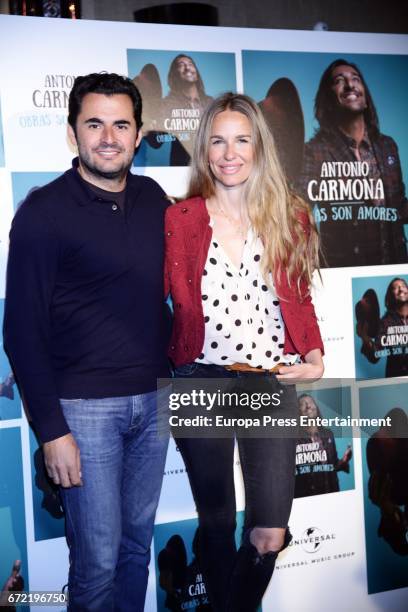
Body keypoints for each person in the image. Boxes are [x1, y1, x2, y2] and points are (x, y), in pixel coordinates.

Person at [3, 72, 171, 611]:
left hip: (154, 402)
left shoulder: (154, 199)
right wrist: (51, 430)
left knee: (135, 550)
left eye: (120, 124)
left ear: (138, 134)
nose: (108, 136)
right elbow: (21, 330)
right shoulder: (43, 213)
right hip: (82, 412)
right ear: (73, 133)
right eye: (93, 124)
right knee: (96, 562)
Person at [165, 92, 324, 611]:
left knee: (270, 531)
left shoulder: (288, 217)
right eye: (218, 140)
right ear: (204, 150)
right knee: (215, 522)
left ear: (259, 148)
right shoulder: (181, 220)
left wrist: (315, 352)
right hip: (200, 380)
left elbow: (298, 296)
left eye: (242, 140)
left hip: (268, 381)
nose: (230, 153)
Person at [297, 58, 408, 268]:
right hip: (343, 270)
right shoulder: (314, 151)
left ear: (365, 97)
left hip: (396, 264)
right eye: (339, 80)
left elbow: (399, 208)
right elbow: (298, 214)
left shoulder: (387, 146)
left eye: (355, 79)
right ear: (328, 99)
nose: (350, 85)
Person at [295, 394, 352, 498]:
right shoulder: (294, 441)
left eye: (311, 402)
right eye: (302, 404)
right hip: (307, 500)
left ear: (316, 408)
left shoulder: (328, 434)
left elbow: (332, 466)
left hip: (331, 495)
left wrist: (343, 461)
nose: (308, 406)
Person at [160, 54, 213, 165]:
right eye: (181, 65)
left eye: (190, 64)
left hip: (210, 166)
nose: (187, 68)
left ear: (197, 73)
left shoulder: (211, 103)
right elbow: (158, 140)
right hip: (182, 167)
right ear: (174, 74)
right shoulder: (166, 104)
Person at [356, 277, 408, 377]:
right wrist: (365, 338)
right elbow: (374, 357)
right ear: (391, 295)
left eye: (403, 286)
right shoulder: (385, 323)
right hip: (395, 382)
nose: (401, 289)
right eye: (396, 288)